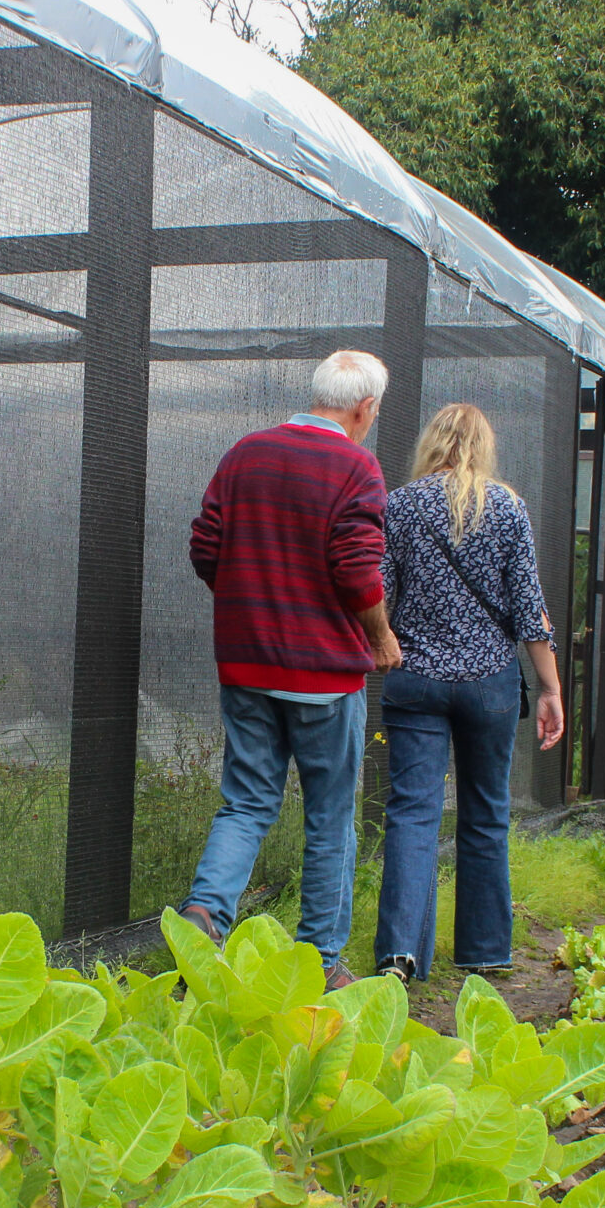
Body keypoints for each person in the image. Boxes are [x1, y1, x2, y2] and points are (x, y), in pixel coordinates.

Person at [175, 349, 401, 992]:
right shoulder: (357, 464)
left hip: (246, 667)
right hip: (325, 676)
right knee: (330, 816)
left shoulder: (245, 453)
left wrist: (252, 604)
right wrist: (380, 638)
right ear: (365, 408)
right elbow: (357, 569)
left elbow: (206, 546)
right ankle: (320, 964)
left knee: (245, 803)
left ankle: (203, 918)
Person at [371, 404, 565, 985]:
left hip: (416, 679)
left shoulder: (399, 505)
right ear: (483, 445)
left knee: (412, 815)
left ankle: (400, 955)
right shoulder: (506, 507)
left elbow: (378, 594)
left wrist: (387, 641)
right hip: (489, 685)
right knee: (486, 813)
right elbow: (529, 608)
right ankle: (483, 950)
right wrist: (551, 689)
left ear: (431, 443)